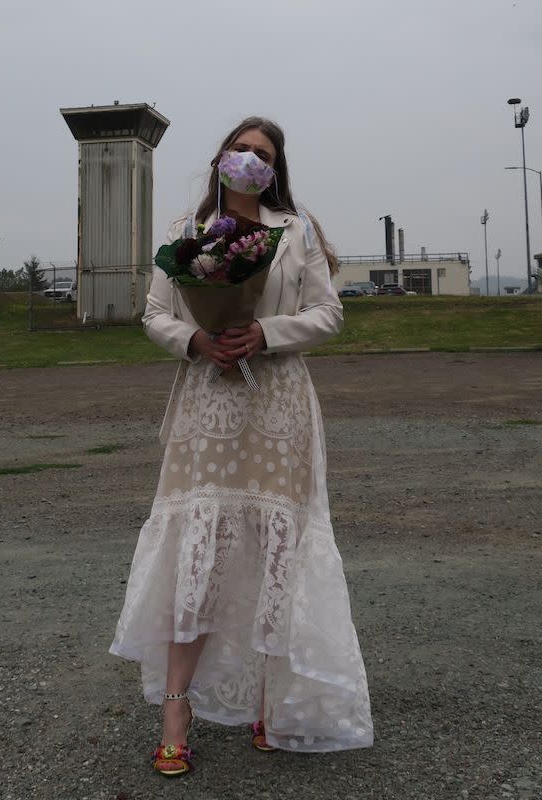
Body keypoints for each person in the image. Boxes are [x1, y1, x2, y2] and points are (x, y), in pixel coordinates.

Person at [109, 117, 373, 777]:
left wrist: (265, 332)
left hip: (277, 408)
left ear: (276, 169)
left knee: (271, 554)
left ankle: (268, 699)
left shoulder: (295, 232)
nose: (251, 160)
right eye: (242, 150)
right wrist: (199, 341)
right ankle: (176, 709)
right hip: (209, 407)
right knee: (198, 557)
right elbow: (155, 313)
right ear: (221, 157)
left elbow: (328, 313)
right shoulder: (183, 233)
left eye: (263, 155)